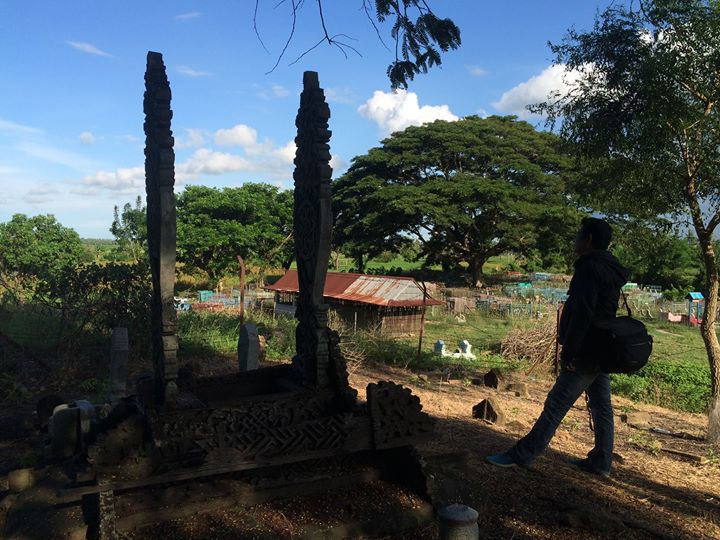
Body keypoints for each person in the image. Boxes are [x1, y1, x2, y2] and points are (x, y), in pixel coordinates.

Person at [486, 217, 629, 477]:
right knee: (601, 406)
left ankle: (522, 455)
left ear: (588, 240)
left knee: (556, 403)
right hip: (603, 347)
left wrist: (570, 351)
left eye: (579, 234)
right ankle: (601, 462)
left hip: (586, 349)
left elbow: (583, 314)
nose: (575, 239)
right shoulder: (612, 268)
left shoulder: (589, 268)